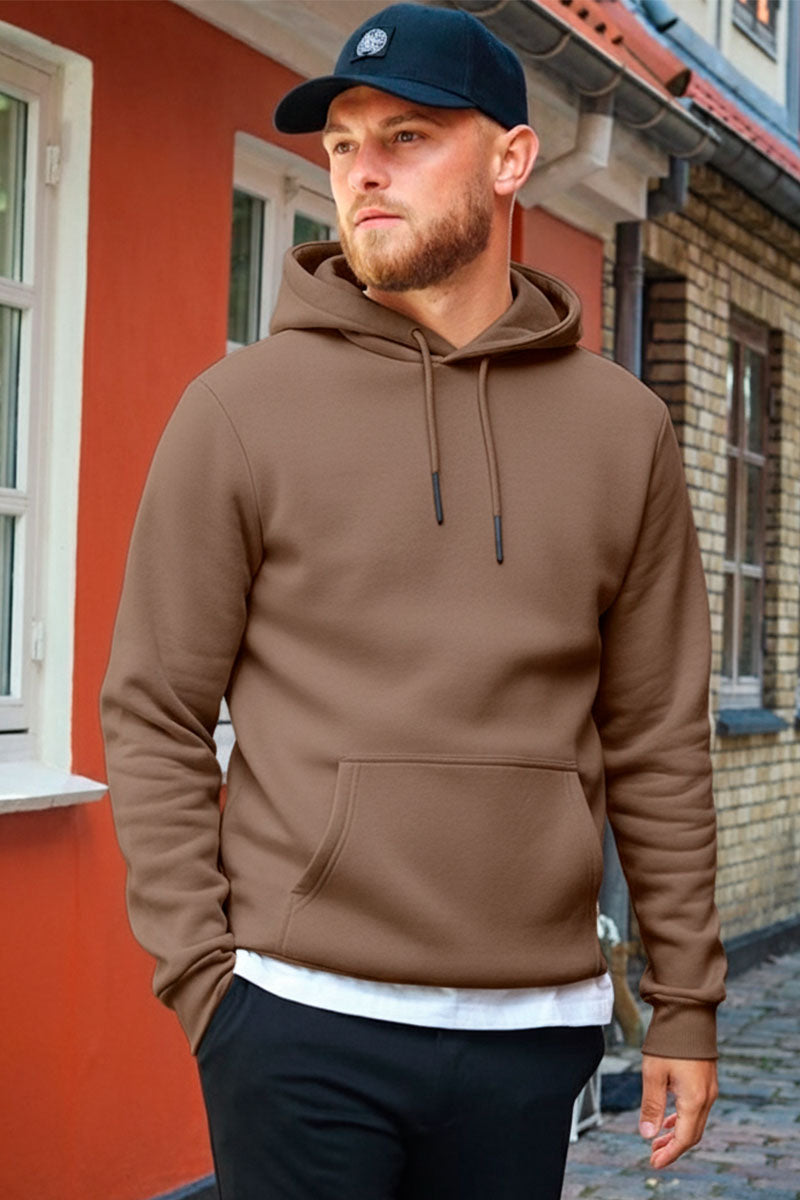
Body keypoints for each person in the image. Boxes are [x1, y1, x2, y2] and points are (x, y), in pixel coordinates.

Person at [100, 4, 727, 1197]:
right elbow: (153, 709)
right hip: (293, 1017)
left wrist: (685, 1000)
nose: (363, 171)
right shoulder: (240, 411)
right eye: (343, 143)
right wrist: (203, 977)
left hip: (530, 1026)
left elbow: (654, 734)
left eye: (407, 136)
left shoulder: (619, 430)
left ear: (509, 159)